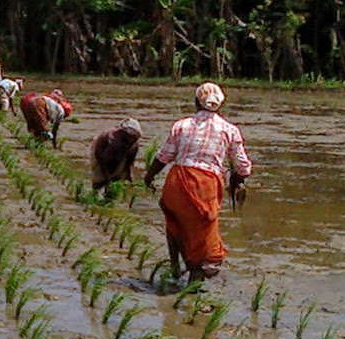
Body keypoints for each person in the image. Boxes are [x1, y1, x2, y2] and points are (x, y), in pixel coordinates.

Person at [143, 82, 251, 283]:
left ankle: (175, 267)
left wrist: (148, 176)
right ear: (219, 105)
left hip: (178, 180)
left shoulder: (182, 125)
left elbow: (164, 156)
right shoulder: (230, 130)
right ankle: (196, 274)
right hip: (206, 185)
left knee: (174, 223)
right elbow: (243, 166)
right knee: (202, 229)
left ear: (196, 102)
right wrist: (239, 180)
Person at [90, 118, 142, 193]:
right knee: (99, 181)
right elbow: (102, 160)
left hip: (118, 152)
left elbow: (129, 164)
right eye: (131, 137)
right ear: (125, 134)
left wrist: (129, 179)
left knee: (119, 179)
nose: (133, 139)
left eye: (135, 138)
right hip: (100, 153)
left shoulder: (134, 145)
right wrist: (108, 179)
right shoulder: (113, 141)